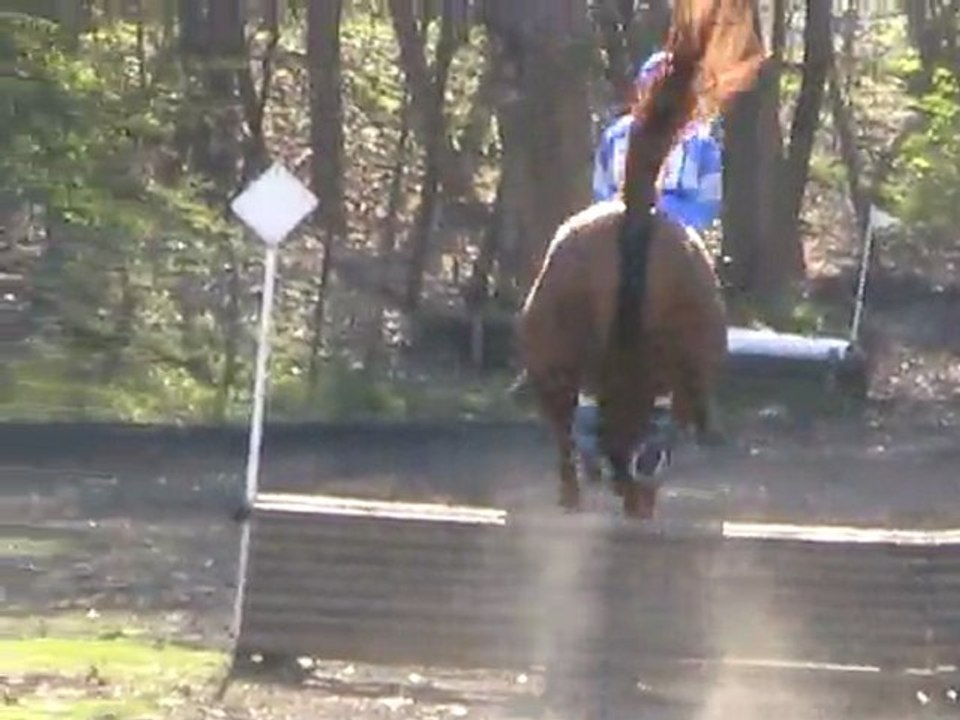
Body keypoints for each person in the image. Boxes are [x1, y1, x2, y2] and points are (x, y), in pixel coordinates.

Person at [573, 49, 725, 481]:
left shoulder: (701, 142)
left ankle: (694, 387)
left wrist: (673, 222)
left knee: (702, 291)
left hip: (674, 218)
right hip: (622, 215)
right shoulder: (617, 134)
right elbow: (602, 187)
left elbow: (708, 202)